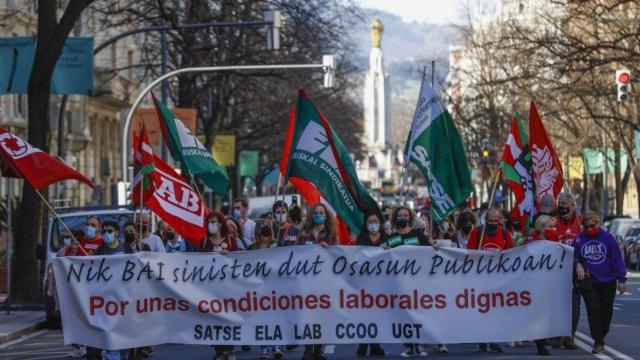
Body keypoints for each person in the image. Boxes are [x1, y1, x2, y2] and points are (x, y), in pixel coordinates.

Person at [574, 210, 627, 355]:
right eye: (587, 227)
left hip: (608, 281)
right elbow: (572, 255)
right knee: (593, 311)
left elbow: (617, 259)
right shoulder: (579, 239)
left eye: (592, 225)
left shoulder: (608, 238)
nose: (590, 229)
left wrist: (621, 279)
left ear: (598, 223)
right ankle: (598, 341)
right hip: (588, 281)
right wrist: (578, 263)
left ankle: (601, 335)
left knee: (606, 312)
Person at [383, 206, 430, 358]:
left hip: (418, 282)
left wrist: (435, 245)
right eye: (400, 215)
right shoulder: (392, 238)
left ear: (410, 218)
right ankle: (409, 346)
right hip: (400, 284)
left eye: (405, 215)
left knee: (419, 312)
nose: (403, 218)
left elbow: (429, 251)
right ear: (395, 219)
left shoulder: (418, 235)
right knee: (405, 315)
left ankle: (420, 343)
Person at [297, 203, 336, 360]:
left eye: (321, 212)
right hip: (307, 281)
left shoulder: (331, 234)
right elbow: (295, 253)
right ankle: (308, 349)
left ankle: (318, 349)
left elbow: (338, 254)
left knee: (321, 316)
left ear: (326, 216)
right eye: (316, 212)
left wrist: (329, 248)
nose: (318, 215)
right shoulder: (304, 233)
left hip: (324, 281)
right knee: (307, 316)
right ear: (311, 215)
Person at [467, 208, 509, 353]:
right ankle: (482, 339)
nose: (493, 224)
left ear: (500, 221)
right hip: (480, 279)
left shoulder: (504, 233)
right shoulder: (477, 232)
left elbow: (512, 253)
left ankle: (494, 340)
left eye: (495, 221)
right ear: (485, 220)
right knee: (482, 310)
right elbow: (469, 252)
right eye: (490, 221)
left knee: (496, 312)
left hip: (498, 280)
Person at [249, 218, 285, 359]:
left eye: (268, 226)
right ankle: (264, 348)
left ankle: (277, 345)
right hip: (259, 289)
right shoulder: (252, 248)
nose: (266, 229)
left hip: (276, 288)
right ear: (257, 230)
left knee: (276, 318)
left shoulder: (278, 245)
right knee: (262, 319)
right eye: (263, 226)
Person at [355, 212, 387, 357]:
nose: (372, 224)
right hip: (365, 282)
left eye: (375, 221)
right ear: (366, 225)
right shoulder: (361, 239)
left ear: (380, 224)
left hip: (383, 282)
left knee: (378, 314)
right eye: (369, 222)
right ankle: (362, 345)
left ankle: (375, 346)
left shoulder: (387, 239)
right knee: (364, 314)